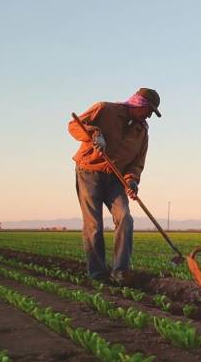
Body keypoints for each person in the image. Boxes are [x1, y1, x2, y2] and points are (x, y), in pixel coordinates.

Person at [68, 88, 161, 283]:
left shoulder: (141, 133)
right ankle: (98, 274)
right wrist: (94, 134)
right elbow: (74, 126)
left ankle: (120, 272)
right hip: (89, 172)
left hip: (115, 178)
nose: (149, 116)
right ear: (139, 105)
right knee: (94, 224)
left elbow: (137, 163)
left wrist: (131, 180)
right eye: (149, 111)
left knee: (125, 218)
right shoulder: (105, 109)